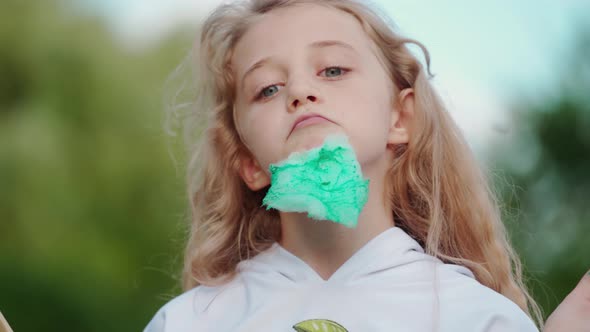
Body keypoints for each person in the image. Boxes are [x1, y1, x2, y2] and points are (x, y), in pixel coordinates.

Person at [143, 0, 568, 330]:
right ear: (248, 162)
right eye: (268, 88)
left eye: (332, 69)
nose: (300, 90)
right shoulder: (189, 322)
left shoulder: (476, 318)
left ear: (400, 118)